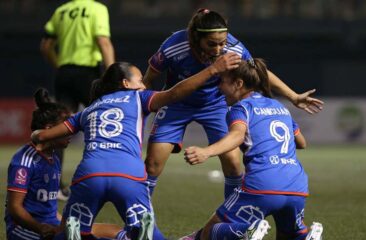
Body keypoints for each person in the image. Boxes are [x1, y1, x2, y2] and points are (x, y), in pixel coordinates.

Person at [31, 54, 241, 240]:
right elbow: (175, 93)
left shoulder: (90, 109)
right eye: (140, 80)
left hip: (89, 176)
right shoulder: (138, 97)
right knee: (148, 234)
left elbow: (48, 134)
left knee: (67, 233)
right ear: (126, 83)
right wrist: (212, 70)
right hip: (128, 177)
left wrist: (37, 134)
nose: (143, 85)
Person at [143, 8, 323, 200]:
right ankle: (139, 220)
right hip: (175, 102)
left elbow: (257, 72)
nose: (219, 49)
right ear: (195, 38)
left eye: (222, 43)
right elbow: (148, 78)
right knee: (153, 164)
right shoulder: (173, 47)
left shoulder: (234, 48)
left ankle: (232, 220)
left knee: (233, 163)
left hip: (215, 104)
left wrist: (293, 96)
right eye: (212, 44)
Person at [182, 58, 323, 240]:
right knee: (288, 235)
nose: (219, 87)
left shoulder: (241, 108)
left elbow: (237, 135)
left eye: (222, 82)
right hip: (297, 186)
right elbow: (302, 143)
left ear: (238, 83)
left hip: (263, 184)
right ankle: (304, 237)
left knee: (210, 232)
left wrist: (206, 152)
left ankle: (245, 232)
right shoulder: (279, 107)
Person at [4, 88, 124, 240]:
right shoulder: (24, 160)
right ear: (49, 130)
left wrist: (62, 223)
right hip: (25, 231)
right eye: (65, 127)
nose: (71, 132)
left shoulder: (54, 158)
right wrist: (40, 227)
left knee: (113, 230)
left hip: (51, 225)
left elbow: (49, 208)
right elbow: (15, 209)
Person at [40, 0, 115, 200]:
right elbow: (104, 42)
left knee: (60, 127)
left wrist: (59, 66)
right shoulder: (96, 9)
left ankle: (53, 185)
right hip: (88, 75)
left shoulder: (61, 10)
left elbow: (46, 46)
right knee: (104, 123)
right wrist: (113, 75)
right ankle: (107, 182)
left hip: (64, 74)